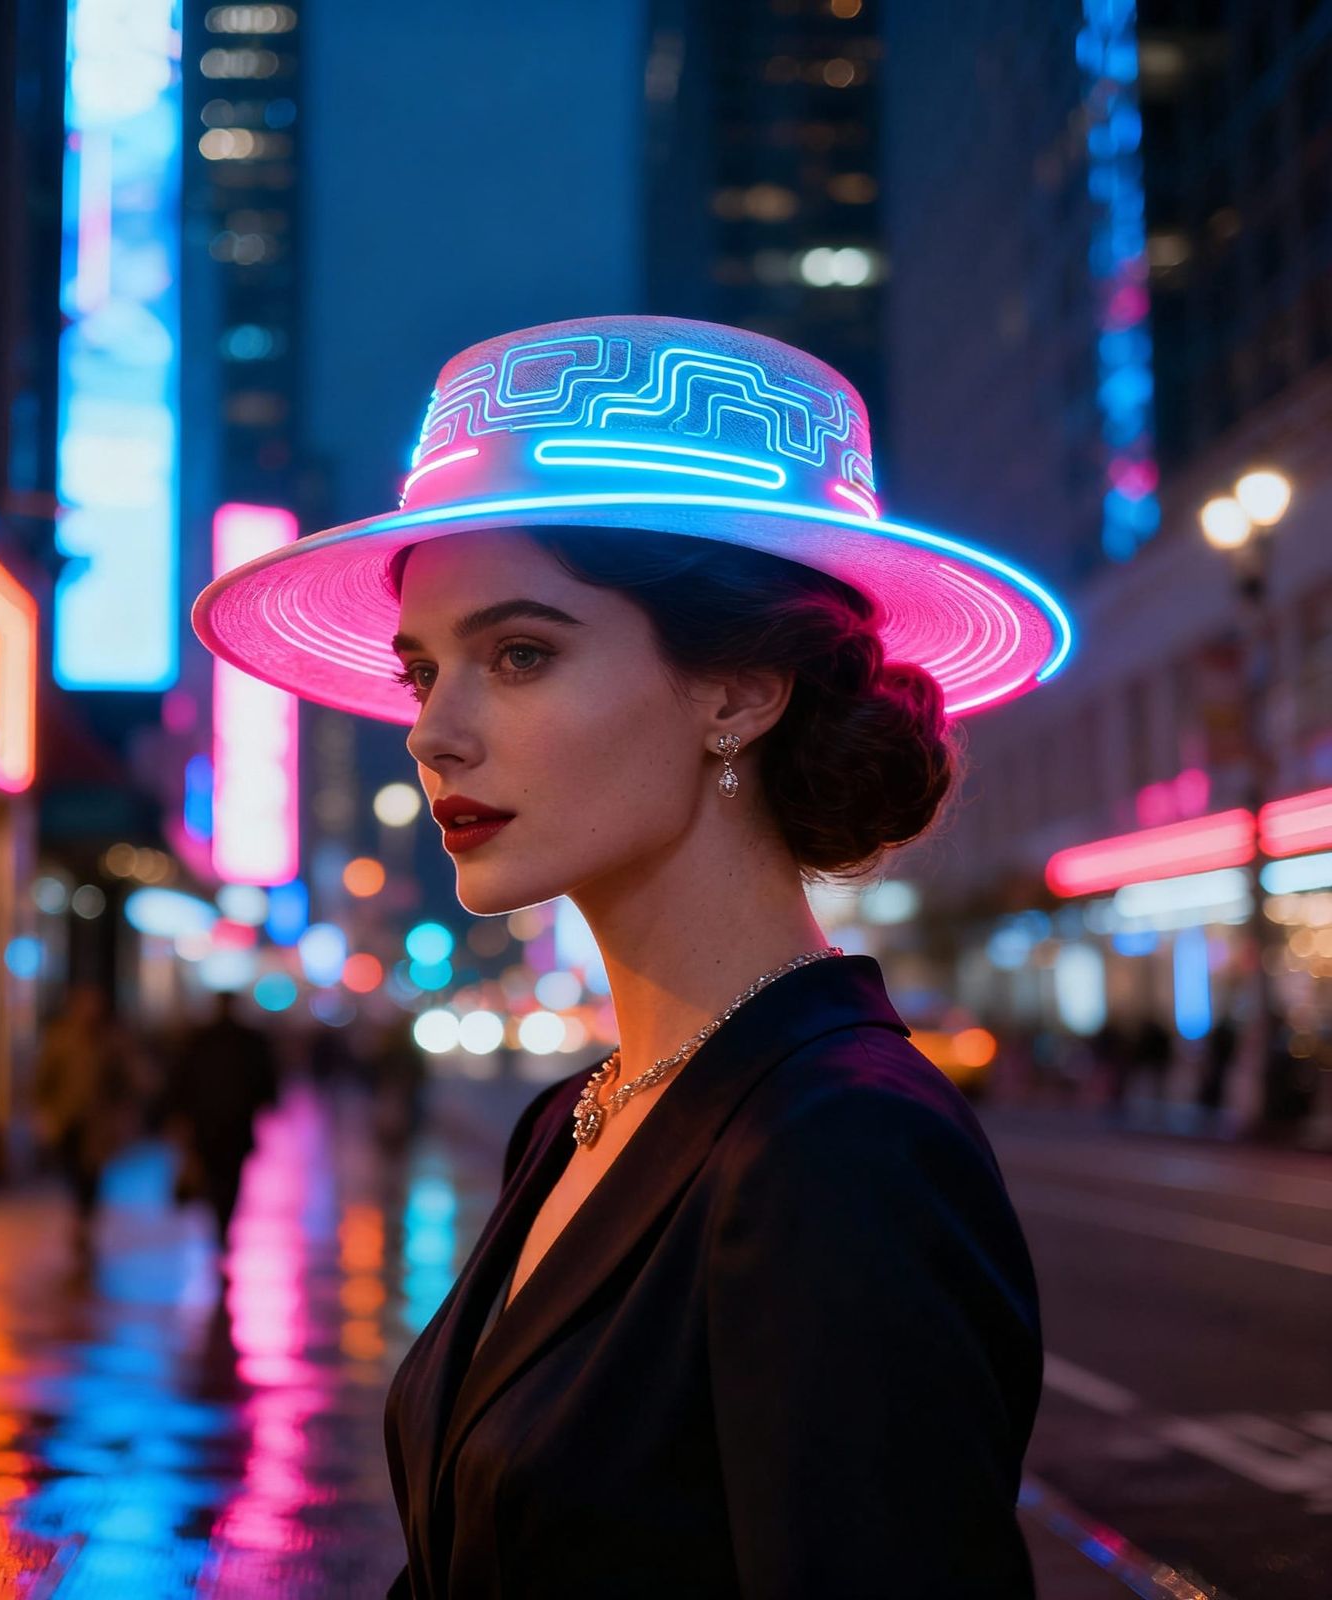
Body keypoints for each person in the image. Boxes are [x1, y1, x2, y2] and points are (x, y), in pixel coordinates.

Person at [193, 315, 1071, 1596]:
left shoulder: (843, 1146)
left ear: (739, 691)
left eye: (520, 654)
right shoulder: (572, 1117)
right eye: (422, 671)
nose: (431, 732)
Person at [34, 984, 141, 1263]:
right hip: (69, 1120)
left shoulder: (110, 1041)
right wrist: (46, 1115)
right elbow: (44, 1080)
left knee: (91, 1173)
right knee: (73, 1171)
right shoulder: (61, 1039)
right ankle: (81, 1218)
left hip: (98, 1125)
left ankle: (85, 1221)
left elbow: (124, 1080)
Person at [167, 989, 282, 1248]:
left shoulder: (201, 1039)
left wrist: (178, 1113)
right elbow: (265, 1079)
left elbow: (181, 1081)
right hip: (234, 1123)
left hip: (209, 1123)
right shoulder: (247, 1040)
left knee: (214, 1173)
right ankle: (222, 1222)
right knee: (230, 1176)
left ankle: (219, 1222)